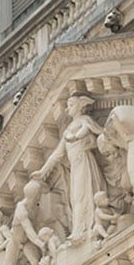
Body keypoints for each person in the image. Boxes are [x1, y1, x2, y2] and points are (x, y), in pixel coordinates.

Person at [33, 91, 106, 241]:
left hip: (83, 161)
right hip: (75, 167)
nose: (67, 109)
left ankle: (85, 227)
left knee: (83, 194)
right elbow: (57, 154)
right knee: (75, 197)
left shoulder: (83, 120)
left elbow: (89, 128)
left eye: (71, 105)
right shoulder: (67, 130)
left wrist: (76, 137)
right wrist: (42, 171)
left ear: (80, 106)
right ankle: (79, 228)